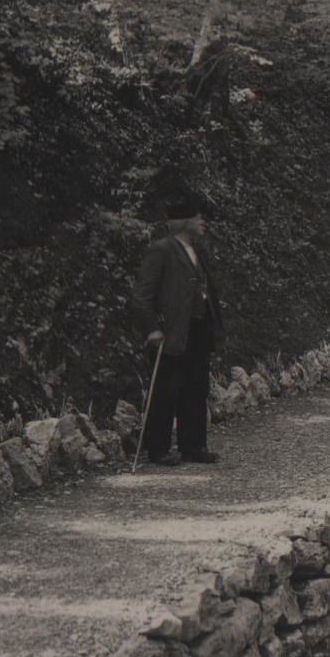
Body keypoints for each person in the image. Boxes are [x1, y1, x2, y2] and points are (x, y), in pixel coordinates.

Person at [129, 194, 224, 465]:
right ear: (184, 222)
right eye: (198, 217)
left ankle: (193, 446)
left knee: (197, 386)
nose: (203, 222)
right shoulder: (162, 250)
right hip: (171, 330)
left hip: (198, 327)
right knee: (166, 388)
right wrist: (152, 329)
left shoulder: (199, 251)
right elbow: (141, 296)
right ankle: (157, 449)